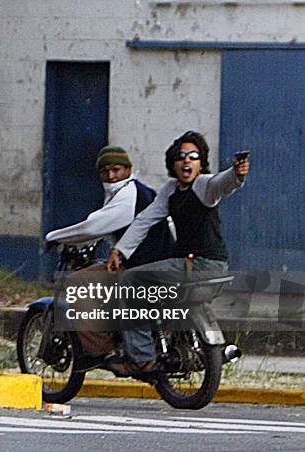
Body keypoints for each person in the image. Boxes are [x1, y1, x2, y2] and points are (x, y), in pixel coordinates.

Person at [105, 130, 250, 376]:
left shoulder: (204, 185)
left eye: (193, 156)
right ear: (174, 162)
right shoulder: (171, 190)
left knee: (130, 282)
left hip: (201, 267)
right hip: (206, 269)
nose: (187, 160)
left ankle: (140, 358)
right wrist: (120, 250)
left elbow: (221, 183)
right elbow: (145, 220)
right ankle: (170, 345)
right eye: (181, 156)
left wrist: (236, 174)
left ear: (201, 162)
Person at [44, 146, 174, 371]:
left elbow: (94, 226)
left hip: (140, 266)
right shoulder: (141, 191)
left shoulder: (127, 196)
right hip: (160, 263)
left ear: (129, 170)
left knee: (78, 283)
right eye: (105, 172)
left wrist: (55, 237)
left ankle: (100, 349)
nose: (111, 176)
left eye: (116, 170)